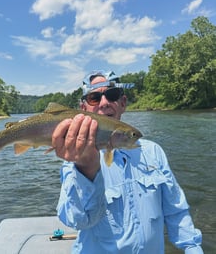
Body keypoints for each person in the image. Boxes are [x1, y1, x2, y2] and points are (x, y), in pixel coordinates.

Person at [52, 70, 203, 253]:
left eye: (112, 95)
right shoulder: (75, 158)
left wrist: (192, 248)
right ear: (83, 109)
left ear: (123, 103)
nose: (104, 103)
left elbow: (176, 211)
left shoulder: (153, 152)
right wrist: (87, 169)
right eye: (94, 98)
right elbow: (76, 221)